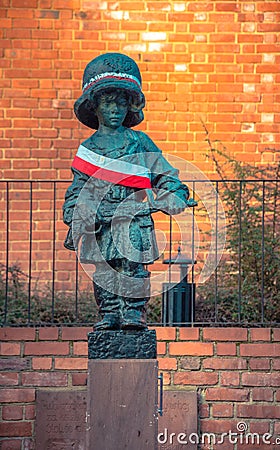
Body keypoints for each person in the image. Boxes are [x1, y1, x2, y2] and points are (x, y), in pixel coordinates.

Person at [63, 53, 196, 331]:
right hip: (103, 221)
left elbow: (166, 174)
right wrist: (77, 212)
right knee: (104, 270)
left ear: (129, 107)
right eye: (108, 103)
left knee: (133, 266)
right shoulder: (88, 150)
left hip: (135, 217)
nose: (115, 110)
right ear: (95, 107)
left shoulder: (139, 142)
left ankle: (133, 313)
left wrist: (174, 194)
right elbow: (77, 188)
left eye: (121, 103)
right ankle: (109, 313)